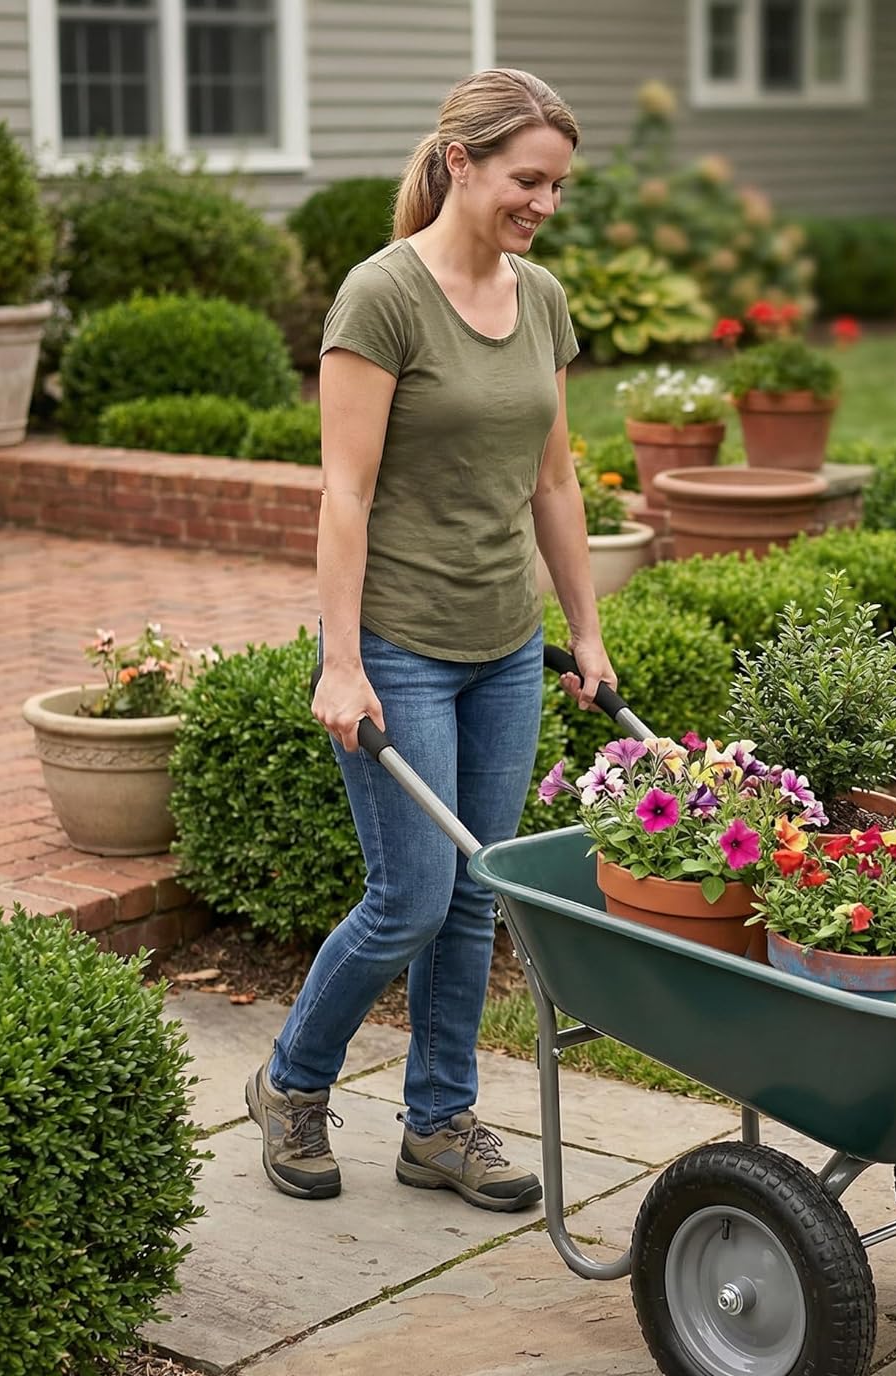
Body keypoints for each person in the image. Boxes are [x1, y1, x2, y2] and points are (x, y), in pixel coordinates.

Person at [246, 69, 615, 1211]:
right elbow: (344, 496)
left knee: (474, 894)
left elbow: (554, 479)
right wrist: (344, 661)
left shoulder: (541, 298)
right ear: (460, 163)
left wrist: (586, 631)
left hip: (502, 641)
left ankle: (439, 1121)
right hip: (398, 642)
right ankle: (293, 1082)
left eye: (556, 185)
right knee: (407, 898)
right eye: (526, 179)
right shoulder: (381, 298)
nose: (543, 203)